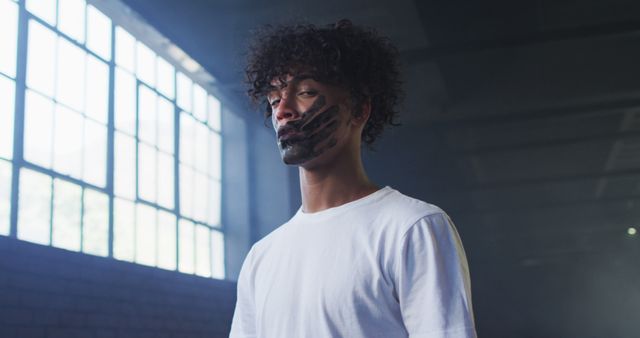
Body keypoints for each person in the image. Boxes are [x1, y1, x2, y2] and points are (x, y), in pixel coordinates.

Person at [230, 20, 477, 338]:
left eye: (305, 92)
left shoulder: (411, 227)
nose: (283, 111)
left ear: (359, 110)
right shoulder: (261, 258)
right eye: (275, 99)